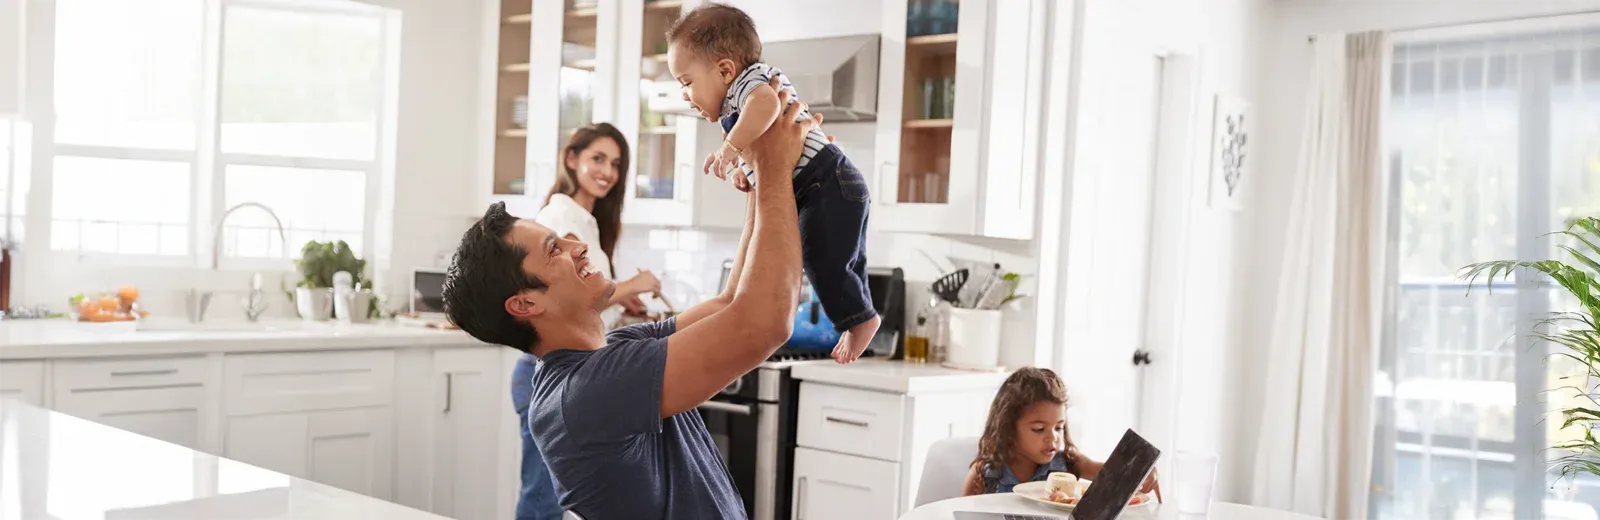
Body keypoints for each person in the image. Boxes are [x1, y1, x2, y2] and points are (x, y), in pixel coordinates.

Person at [442, 76, 813, 519]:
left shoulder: (611, 352)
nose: (576, 247)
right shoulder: (587, 392)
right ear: (525, 304)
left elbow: (730, 303)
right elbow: (764, 322)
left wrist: (756, 169)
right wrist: (775, 171)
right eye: (554, 250)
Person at [665, 3, 880, 364]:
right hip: (830, 183)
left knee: (821, 258)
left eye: (686, 82)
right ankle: (861, 315)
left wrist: (731, 147)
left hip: (825, 179)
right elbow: (767, 151)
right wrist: (745, 172)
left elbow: (766, 106)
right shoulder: (736, 104)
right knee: (847, 261)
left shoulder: (751, 84)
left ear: (724, 69)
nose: (684, 95)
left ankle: (859, 320)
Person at [508, 122, 662, 520]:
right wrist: (634, 284)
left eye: (616, 164)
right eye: (598, 159)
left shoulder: (589, 220)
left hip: (574, 373)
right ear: (571, 159)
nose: (608, 171)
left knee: (559, 500)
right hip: (546, 370)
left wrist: (624, 307)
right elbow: (568, 293)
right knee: (542, 496)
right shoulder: (560, 213)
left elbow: (584, 302)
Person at [961, 367, 1163, 498]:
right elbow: (959, 514)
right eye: (1039, 429)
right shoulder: (984, 474)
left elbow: (1108, 472)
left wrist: (1141, 469)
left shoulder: (1067, 462)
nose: (1053, 438)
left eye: (1058, 427)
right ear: (1008, 428)